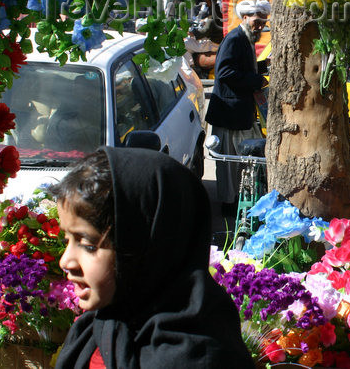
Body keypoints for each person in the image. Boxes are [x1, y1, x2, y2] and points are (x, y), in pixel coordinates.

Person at [52, 148, 253, 368]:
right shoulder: (103, 327)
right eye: (67, 240)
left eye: (89, 245)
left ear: (151, 247)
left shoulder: (196, 357)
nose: (66, 261)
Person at [206, 0, 270, 217]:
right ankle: (228, 205)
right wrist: (256, 80)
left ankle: (237, 202)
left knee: (241, 162)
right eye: (257, 21)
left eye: (263, 21)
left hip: (239, 112)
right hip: (228, 113)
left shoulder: (246, 38)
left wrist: (263, 66)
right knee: (228, 163)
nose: (260, 25)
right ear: (245, 18)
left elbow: (241, 67)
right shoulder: (235, 38)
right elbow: (224, 73)